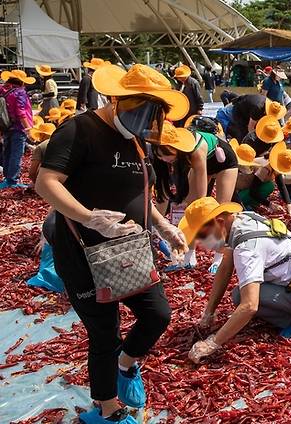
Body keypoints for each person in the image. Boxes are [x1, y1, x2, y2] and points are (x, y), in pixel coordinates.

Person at [35, 64, 190, 424]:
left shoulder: (135, 141)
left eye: (154, 113)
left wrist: (165, 227)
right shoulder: (79, 130)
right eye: (141, 109)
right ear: (118, 99)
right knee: (105, 331)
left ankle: (127, 364)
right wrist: (90, 218)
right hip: (82, 250)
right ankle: (106, 407)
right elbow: (47, 182)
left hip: (129, 249)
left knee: (157, 315)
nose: (146, 120)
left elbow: (139, 193)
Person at [183, 198, 291, 363]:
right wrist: (209, 313)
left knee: (242, 298)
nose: (203, 243)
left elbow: (249, 306)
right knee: (241, 294)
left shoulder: (247, 248)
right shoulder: (244, 220)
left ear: (219, 222)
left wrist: (212, 343)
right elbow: (225, 268)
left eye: (203, 235)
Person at [0, 69, 34, 189]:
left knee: (7, 152)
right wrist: (28, 129)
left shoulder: (3, 90)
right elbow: (21, 113)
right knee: (16, 154)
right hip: (18, 128)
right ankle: (12, 180)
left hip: (6, 125)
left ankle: (7, 178)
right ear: (21, 82)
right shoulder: (19, 93)